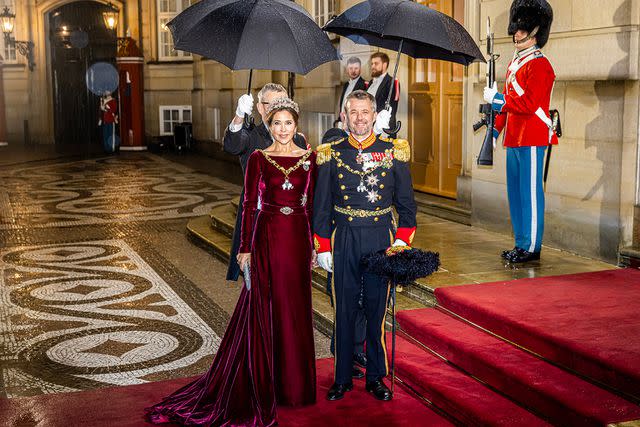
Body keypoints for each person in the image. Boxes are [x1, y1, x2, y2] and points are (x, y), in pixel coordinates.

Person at [146, 98, 316, 426]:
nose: (282, 129)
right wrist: (245, 247)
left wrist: (313, 247)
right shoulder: (258, 159)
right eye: (276, 123)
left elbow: (311, 207)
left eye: (288, 123)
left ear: (297, 125)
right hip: (266, 238)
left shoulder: (311, 160)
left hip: (297, 239)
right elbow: (250, 204)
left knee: (295, 308)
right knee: (265, 307)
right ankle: (263, 381)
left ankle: (294, 386)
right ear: (269, 126)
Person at [313, 90, 416, 402]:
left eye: (364, 112)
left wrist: (401, 242)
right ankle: (342, 377)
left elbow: (408, 207)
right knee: (343, 310)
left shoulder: (393, 151)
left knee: (375, 310)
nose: (359, 118)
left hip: (380, 240)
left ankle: (375, 377)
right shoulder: (331, 153)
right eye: (353, 112)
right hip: (343, 237)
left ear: (374, 115)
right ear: (345, 116)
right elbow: (321, 208)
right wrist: (323, 247)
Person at [483, 0, 556, 263]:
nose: (516, 33)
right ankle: (521, 242)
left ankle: (533, 247)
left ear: (535, 30)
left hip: (534, 135)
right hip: (514, 136)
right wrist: (494, 132)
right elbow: (508, 108)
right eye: (516, 28)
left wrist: (498, 98)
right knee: (515, 193)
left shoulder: (540, 64)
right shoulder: (515, 63)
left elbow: (528, 104)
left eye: (522, 29)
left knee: (531, 193)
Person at [223, 83, 308, 281]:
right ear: (260, 107)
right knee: (260, 287)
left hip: (291, 223)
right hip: (259, 222)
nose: (279, 109)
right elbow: (232, 145)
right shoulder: (250, 135)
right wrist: (239, 117)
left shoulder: (299, 140)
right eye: (273, 104)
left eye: (283, 103)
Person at [367, 52, 399, 137]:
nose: (373, 66)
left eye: (376, 63)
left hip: (384, 129)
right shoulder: (370, 82)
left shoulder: (392, 82)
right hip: (369, 127)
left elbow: (392, 108)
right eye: (372, 64)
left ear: (384, 65)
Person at [337, 57, 367, 127]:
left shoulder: (365, 85)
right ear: (347, 70)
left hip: (355, 123)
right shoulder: (346, 84)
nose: (353, 71)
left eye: (356, 68)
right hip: (342, 122)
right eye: (351, 68)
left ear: (360, 69)